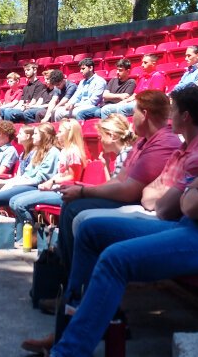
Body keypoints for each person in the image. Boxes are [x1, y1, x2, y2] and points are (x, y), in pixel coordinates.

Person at [41, 80, 198, 357]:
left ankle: (69, 351)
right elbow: (192, 198)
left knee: (115, 258)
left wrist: (193, 196)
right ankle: (69, 324)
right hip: (192, 229)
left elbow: (189, 206)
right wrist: (195, 195)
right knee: (91, 229)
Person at [55, 90, 183, 274]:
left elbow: (130, 191)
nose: (132, 118)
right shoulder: (142, 142)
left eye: (135, 112)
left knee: (74, 209)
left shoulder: (164, 142)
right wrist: (82, 191)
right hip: (131, 197)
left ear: (145, 114)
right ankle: (67, 278)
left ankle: (73, 283)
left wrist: (84, 192)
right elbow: (119, 179)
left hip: (143, 204)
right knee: (70, 203)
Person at [8, 118, 87, 229]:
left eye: (60, 132)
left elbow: (73, 177)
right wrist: (49, 182)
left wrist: (52, 181)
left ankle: (30, 236)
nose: (57, 135)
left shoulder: (73, 152)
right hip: (56, 190)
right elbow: (61, 174)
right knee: (13, 201)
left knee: (19, 204)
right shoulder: (65, 151)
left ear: (68, 134)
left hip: (63, 194)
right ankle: (25, 237)